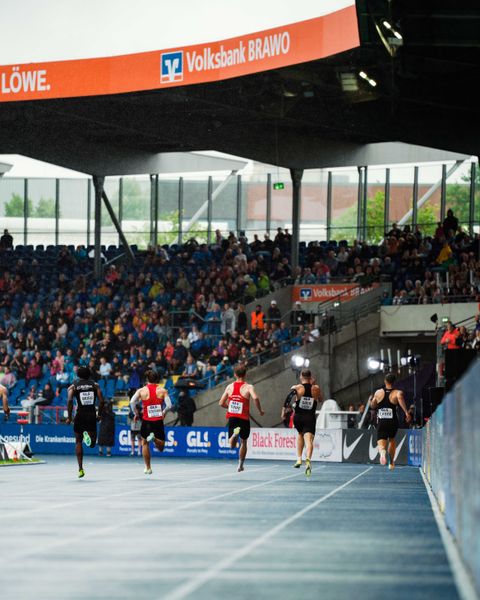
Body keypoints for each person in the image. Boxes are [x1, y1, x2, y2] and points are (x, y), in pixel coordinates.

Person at [219, 364, 264, 472]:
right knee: (243, 442)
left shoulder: (229, 387)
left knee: (232, 446)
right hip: (244, 418)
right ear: (245, 374)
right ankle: (240, 465)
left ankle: (234, 434)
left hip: (233, 417)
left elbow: (221, 403)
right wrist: (260, 410)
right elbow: (256, 398)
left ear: (235, 374)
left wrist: (230, 407)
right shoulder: (248, 387)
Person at [129, 370, 172, 475]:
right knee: (161, 448)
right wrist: (164, 412)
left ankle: (148, 468)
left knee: (144, 443)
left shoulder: (141, 391)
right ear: (157, 379)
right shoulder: (162, 390)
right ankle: (155, 439)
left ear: (147, 379)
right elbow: (169, 405)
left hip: (146, 421)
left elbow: (131, 402)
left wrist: (136, 413)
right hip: (158, 420)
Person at [66, 366, 105, 478]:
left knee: (78, 442)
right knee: (92, 444)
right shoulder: (95, 385)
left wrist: (69, 417)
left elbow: (69, 401)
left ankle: (80, 469)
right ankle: (88, 437)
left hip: (79, 415)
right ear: (89, 375)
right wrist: (99, 414)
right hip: (91, 415)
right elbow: (102, 401)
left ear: (78, 376)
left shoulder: (74, 386)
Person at [370, 373, 411, 470]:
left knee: (381, 441)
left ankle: (383, 454)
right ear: (394, 382)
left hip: (382, 421)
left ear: (385, 381)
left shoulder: (378, 392)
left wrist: (372, 401)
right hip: (393, 421)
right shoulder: (397, 393)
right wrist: (406, 413)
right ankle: (391, 462)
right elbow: (400, 399)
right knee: (392, 440)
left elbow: (373, 406)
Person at [288, 369, 323, 477]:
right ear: (311, 377)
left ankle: (299, 459)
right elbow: (320, 399)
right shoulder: (316, 388)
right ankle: (308, 459)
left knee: (300, 435)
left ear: (300, 377)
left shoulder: (297, 387)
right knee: (309, 440)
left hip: (298, 417)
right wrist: (314, 384)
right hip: (310, 417)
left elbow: (290, 393)